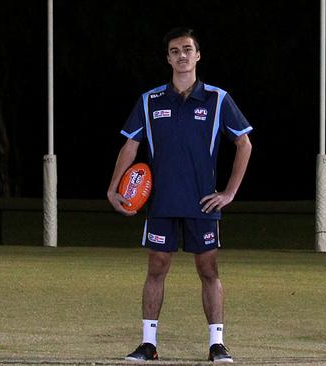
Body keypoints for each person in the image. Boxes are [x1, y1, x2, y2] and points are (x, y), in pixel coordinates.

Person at [107, 27, 252, 363]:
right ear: (168, 57)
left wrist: (229, 192)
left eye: (188, 49)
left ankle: (217, 344)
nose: (182, 55)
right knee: (156, 268)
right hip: (162, 202)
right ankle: (148, 344)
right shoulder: (150, 100)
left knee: (208, 269)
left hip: (202, 202)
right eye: (175, 51)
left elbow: (244, 143)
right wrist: (114, 188)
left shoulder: (218, 99)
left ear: (198, 55)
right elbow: (130, 144)